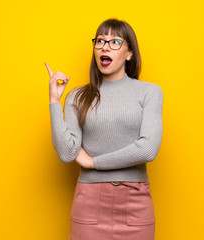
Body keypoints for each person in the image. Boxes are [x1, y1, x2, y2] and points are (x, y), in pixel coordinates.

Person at [45, 18, 163, 240]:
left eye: (115, 42)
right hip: (89, 203)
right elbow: (67, 152)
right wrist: (54, 102)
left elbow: (148, 149)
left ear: (129, 53)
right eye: (100, 41)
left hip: (135, 203)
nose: (105, 47)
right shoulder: (78, 96)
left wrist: (94, 162)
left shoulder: (150, 92)